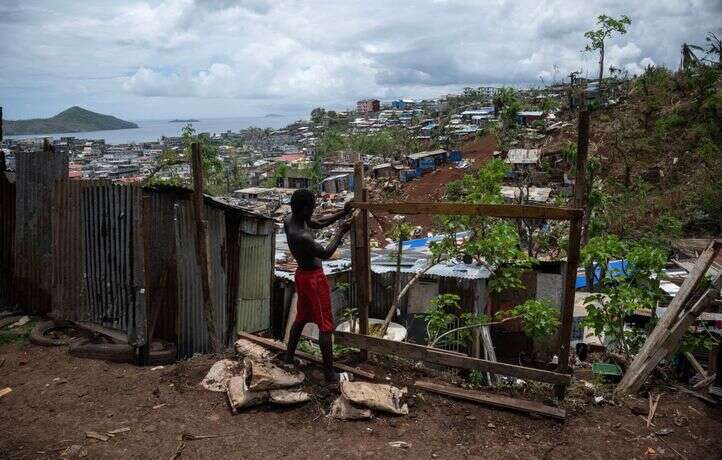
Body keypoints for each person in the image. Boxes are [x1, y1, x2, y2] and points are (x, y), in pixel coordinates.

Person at [283, 189, 353, 382]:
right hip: (314, 280)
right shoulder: (302, 236)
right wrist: (341, 231)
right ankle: (330, 374)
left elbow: (318, 223)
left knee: (301, 318)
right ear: (304, 209)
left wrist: (342, 212)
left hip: (301, 276)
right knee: (325, 325)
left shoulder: (290, 220)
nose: (314, 211)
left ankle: (288, 358)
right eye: (312, 208)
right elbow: (326, 253)